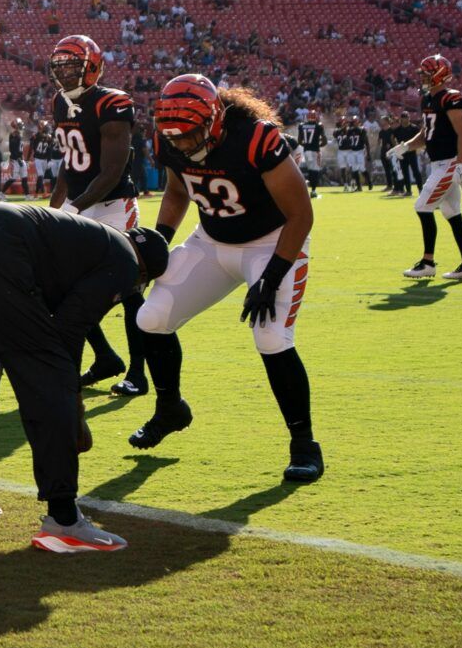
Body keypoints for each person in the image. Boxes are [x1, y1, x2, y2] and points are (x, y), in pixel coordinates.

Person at [126, 74, 323, 483]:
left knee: (271, 338)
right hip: (212, 241)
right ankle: (170, 408)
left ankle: (304, 445)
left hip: (272, 242)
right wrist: (160, 240)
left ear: (215, 120)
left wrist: (272, 275)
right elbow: (179, 191)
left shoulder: (256, 138)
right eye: (174, 137)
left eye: (189, 134)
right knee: (151, 318)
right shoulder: (172, 137)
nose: (181, 143)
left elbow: (301, 213)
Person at [0, 202, 137, 552]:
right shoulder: (126, 260)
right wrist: (73, 406)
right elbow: (66, 334)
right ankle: (63, 519)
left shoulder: (88, 241)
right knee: (47, 373)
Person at [46, 34, 146, 396]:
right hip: (81, 206)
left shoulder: (112, 103)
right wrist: (54, 207)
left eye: (73, 66)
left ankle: (138, 372)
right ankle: (105, 357)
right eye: (60, 67)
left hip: (115, 207)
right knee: (68, 288)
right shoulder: (59, 102)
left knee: (131, 290)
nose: (65, 74)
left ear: (91, 68)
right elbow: (69, 163)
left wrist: (73, 209)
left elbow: (112, 172)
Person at [396, 53, 462, 280]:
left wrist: (461, 163)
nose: (422, 77)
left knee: (422, 206)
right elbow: (425, 134)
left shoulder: (451, 97)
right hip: (438, 163)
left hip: (449, 163)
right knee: (452, 213)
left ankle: (428, 262)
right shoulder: (428, 99)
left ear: (439, 74)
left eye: (426, 73)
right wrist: (406, 146)